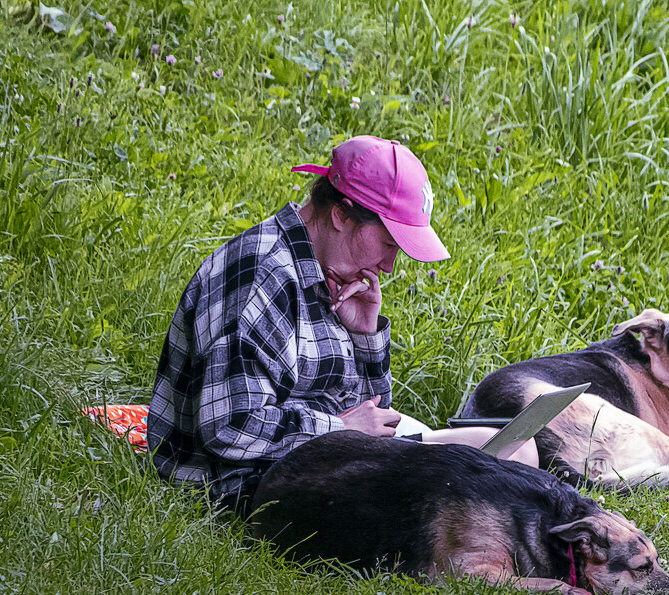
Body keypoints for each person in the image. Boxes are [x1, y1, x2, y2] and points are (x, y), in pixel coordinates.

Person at [146, 135, 537, 517]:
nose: (388, 266)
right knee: (471, 485)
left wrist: (365, 335)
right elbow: (230, 426)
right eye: (388, 245)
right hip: (252, 483)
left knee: (518, 448)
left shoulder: (326, 268)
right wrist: (336, 428)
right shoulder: (261, 278)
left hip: (331, 455)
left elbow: (372, 414)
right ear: (341, 214)